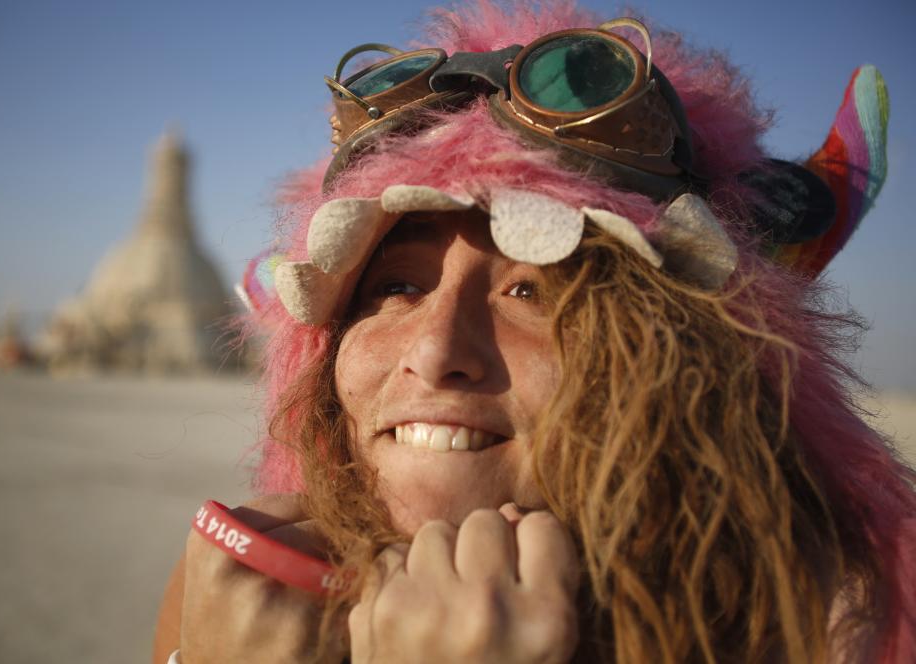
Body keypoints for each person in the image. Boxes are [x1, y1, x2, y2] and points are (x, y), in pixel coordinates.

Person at [153, 1, 916, 662]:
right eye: (395, 287)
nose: (435, 352)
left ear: (687, 356)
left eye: (532, 289)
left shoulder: (837, 622)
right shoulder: (247, 597)